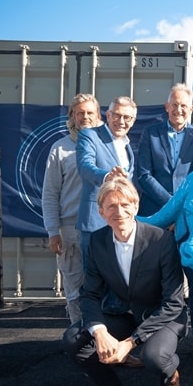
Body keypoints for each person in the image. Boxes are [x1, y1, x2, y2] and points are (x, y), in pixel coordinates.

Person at [61, 177, 188, 386]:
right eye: (111, 206)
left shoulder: (161, 240)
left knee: (154, 357)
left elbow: (173, 302)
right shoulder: (97, 241)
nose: (118, 212)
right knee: (73, 339)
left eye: (124, 205)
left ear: (135, 207)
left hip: (163, 316)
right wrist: (99, 332)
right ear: (101, 212)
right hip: (123, 313)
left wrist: (130, 343)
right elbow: (90, 293)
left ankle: (170, 378)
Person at [135, 84, 193, 360]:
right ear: (167, 107)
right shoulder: (151, 133)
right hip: (157, 219)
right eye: (174, 105)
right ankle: (152, 337)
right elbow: (143, 174)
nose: (179, 110)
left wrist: (181, 211)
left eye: (184, 106)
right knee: (154, 280)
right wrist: (171, 208)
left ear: (191, 109)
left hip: (189, 220)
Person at [42, 93, 101, 324]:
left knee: (106, 289)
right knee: (76, 291)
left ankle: (105, 336)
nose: (85, 117)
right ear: (72, 116)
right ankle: (80, 335)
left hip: (102, 229)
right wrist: (53, 231)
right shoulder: (60, 149)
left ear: (98, 115)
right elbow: (50, 193)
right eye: (80, 113)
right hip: (70, 231)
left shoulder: (107, 146)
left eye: (90, 112)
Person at [76, 96, 138, 269]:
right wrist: (107, 177)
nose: (121, 121)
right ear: (108, 115)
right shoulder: (89, 135)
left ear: (133, 121)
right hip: (96, 223)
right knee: (94, 278)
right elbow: (85, 167)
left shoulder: (128, 146)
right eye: (117, 115)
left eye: (127, 117)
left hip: (122, 224)